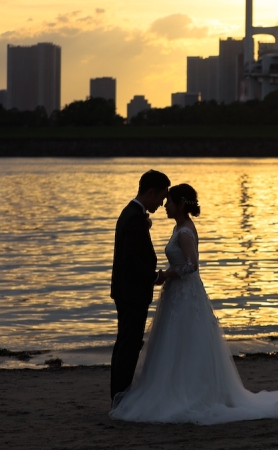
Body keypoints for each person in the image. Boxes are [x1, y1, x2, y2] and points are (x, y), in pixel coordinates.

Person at [110, 183, 278, 425]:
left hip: (184, 294)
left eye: (170, 202)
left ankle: (188, 392)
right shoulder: (179, 227)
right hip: (176, 295)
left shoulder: (185, 232)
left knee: (185, 341)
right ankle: (172, 387)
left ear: (181, 205)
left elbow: (191, 265)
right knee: (173, 342)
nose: (165, 205)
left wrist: (165, 275)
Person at [110, 169, 171, 401]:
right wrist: (155, 277)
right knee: (129, 344)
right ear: (151, 192)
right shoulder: (134, 217)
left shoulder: (132, 213)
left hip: (125, 291)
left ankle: (119, 393)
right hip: (132, 293)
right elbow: (132, 259)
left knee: (126, 342)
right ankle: (121, 395)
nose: (162, 203)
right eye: (162, 197)